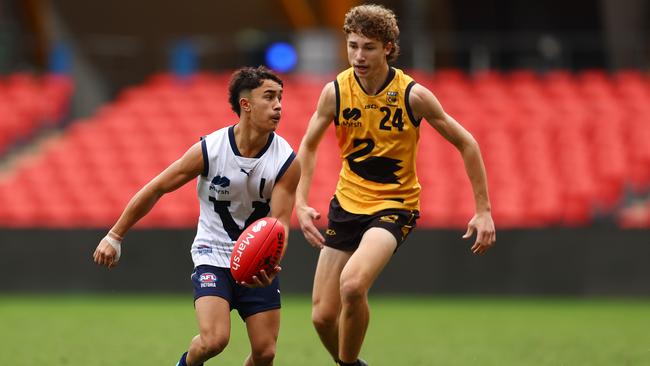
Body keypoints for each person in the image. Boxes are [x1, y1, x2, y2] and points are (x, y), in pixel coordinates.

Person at [295, 4, 496, 366]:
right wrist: (300, 201)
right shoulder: (335, 92)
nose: (358, 55)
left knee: (353, 286)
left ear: (388, 47)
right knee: (323, 317)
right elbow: (307, 146)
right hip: (346, 204)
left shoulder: (412, 95)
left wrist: (483, 210)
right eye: (352, 45)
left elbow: (468, 143)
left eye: (368, 47)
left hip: (393, 207)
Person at [93, 66, 300, 366]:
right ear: (246, 105)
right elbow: (157, 187)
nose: (279, 105)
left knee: (265, 353)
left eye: (281, 97)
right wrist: (115, 236)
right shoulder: (210, 150)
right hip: (212, 254)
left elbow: (279, 223)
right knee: (214, 341)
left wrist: (271, 261)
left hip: (255, 262)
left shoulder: (286, 161)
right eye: (269, 97)